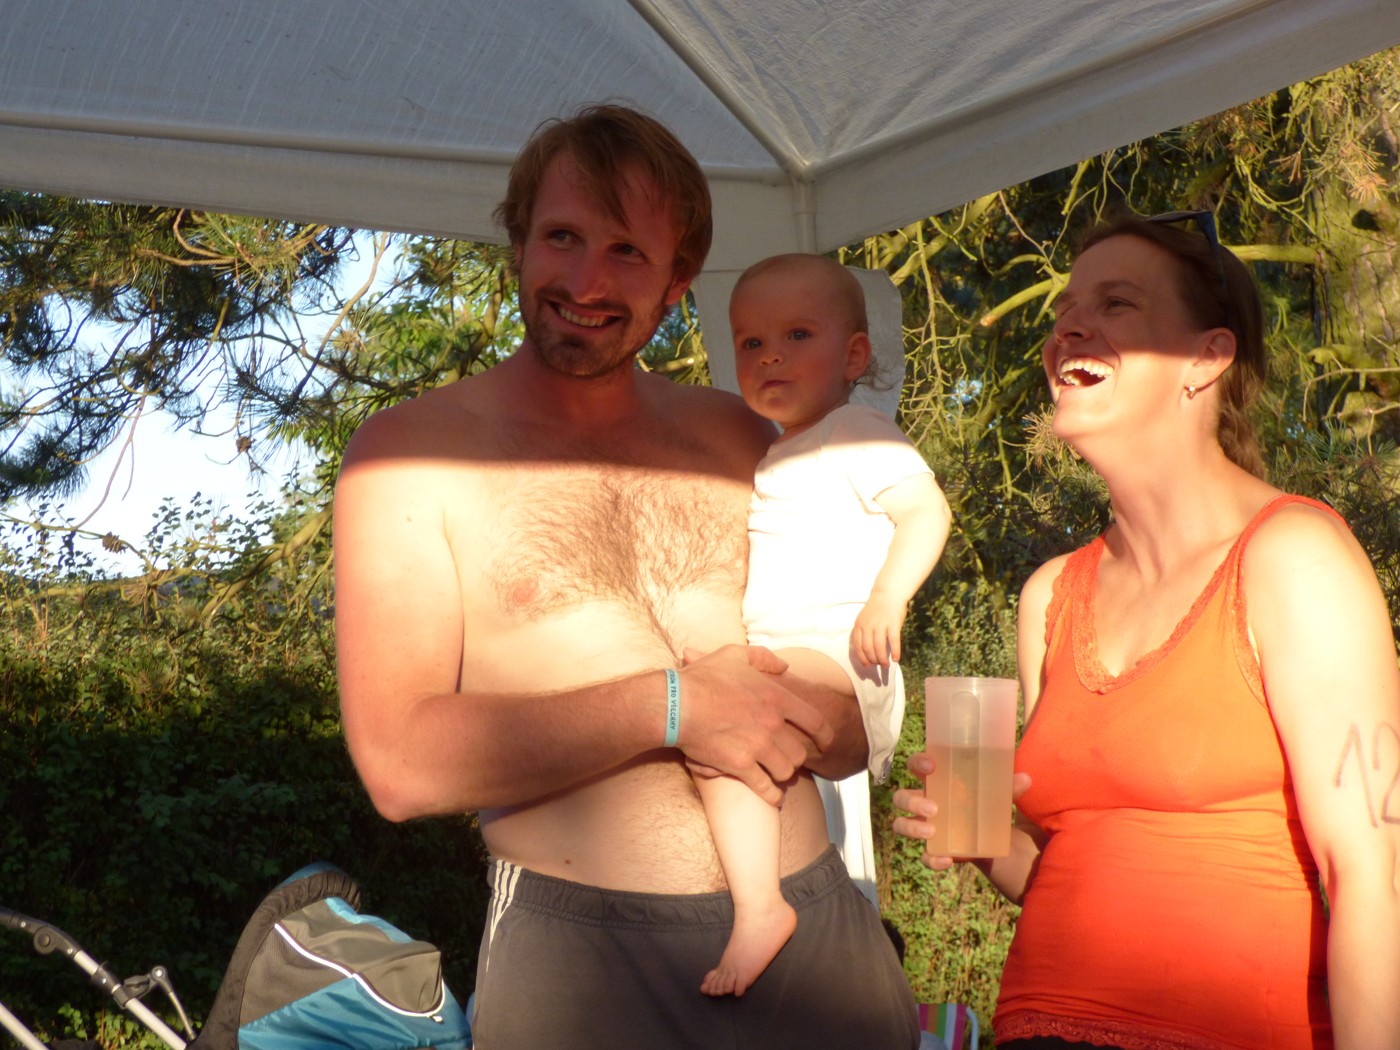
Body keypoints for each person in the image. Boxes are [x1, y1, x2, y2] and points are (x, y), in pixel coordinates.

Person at [333, 105, 920, 1049]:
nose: (586, 282)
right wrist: (674, 707)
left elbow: (850, 716)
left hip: (819, 943)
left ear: (678, 281)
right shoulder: (408, 457)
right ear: (519, 243)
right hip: (587, 974)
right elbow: (399, 765)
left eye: (628, 252)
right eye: (563, 238)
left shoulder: (744, 440)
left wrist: (841, 716)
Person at [893, 211, 1400, 1049]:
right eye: (1065, 308)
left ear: (1206, 359)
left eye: (1116, 304)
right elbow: (1057, 873)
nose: (1067, 326)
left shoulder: (1293, 556)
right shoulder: (1049, 595)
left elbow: (1373, 877)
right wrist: (980, 838)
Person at [693, 253, 951, 997]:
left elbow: (926, 511)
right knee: (719, 752)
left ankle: (760, 909)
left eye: (797, 335)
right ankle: (761, 904)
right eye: (751, 342)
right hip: (785, 655)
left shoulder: (856, 430)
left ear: (854, 356)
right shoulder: (775, 451)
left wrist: (888, 598)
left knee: (727, 723)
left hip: (844, 653)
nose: (770, 355)